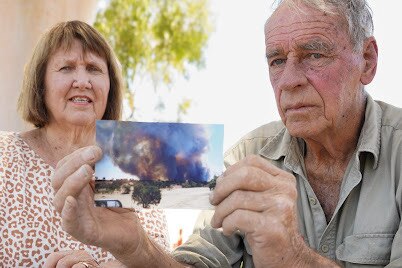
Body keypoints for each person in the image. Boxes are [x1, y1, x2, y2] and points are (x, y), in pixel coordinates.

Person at [51, 0, 402, 267]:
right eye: (277, 60)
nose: (290, 81)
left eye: (314, 54)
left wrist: (290, 256)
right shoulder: (246, 157)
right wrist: (134, 246)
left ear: (367, 60)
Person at [0, 20, 170, 267]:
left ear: (109, 87)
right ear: (41, 84)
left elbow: (159, 259)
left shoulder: (137, 168)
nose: (82, 81)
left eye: (93, 68)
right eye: (66, 68)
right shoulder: (3, 156)